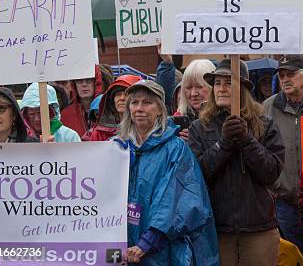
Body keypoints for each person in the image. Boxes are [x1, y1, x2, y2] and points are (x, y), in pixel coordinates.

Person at [188, 59, 285, 266]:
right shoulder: (199, 127)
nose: (221, 88)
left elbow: (272, 172)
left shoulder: (265, 124)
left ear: (242, 89)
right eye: (217, 83)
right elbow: (196, 176)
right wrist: (223, 144)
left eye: (228, 82)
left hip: (259, 227)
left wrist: (247, 140)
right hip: (216, 228)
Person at [114, 80, 218, 265]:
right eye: (134, 102)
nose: (139, 108)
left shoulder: (175, 150)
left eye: (147, 102)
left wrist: (147, 243)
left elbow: (176, 202)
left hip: (162, 252)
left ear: (160, 109)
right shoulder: (116, 148)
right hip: (120, 249)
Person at [263, 55, 303, 266]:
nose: (285, 79)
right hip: (286, 199)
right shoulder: (268, 107)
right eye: (282, 75)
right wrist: (273, 187)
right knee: (293, 256)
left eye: (290, 74)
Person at [85, 75, 141, 141]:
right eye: (118, 94)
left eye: (126, 94)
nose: (122, 98)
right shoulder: (99, 133)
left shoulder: (146, 130)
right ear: (112, 101)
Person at [61, 66, 105, 137]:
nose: (84, 84)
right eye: (79, 81)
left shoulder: (106, 111)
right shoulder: (65, 115)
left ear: (96, 82)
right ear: (74, 85)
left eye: (89, 80)